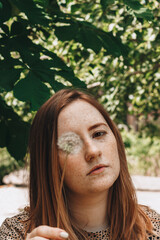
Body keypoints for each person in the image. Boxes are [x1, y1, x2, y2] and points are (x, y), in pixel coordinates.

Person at [0, 88, 159, 240]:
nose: (93, 151)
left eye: (98, 134)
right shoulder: (15, 234)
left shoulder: (152, 228)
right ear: (48, 162)